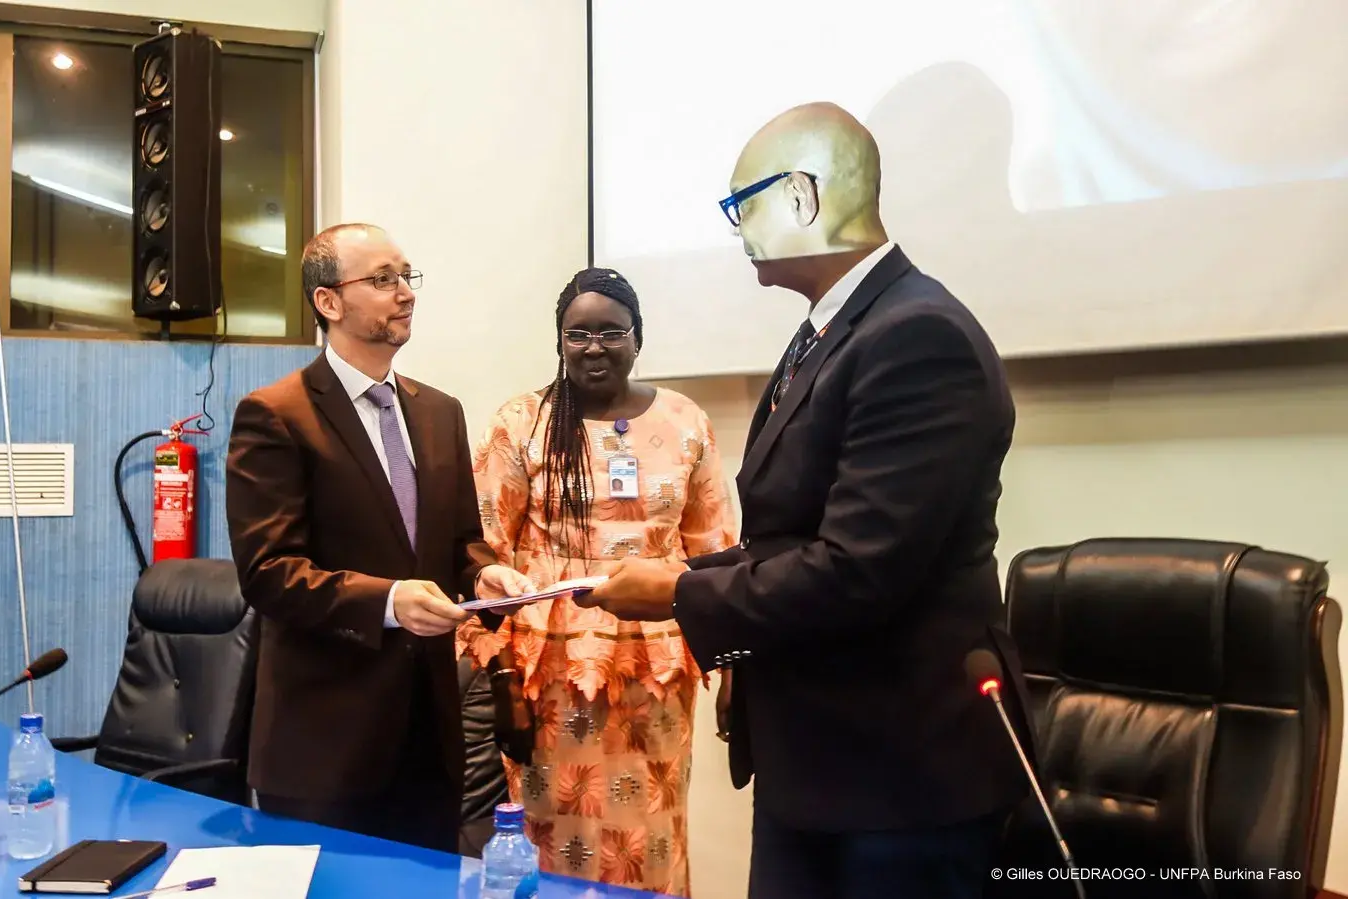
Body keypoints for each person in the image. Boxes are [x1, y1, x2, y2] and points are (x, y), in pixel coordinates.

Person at [577, 103, 1030, 898]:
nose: (735, 228)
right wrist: (686, 572)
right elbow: (791, 538)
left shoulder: (918, 335)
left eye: (740, 204)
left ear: (802, 197)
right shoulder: (832, 329)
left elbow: (859, 569)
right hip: (821, 764)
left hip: (897, 782)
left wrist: (682, 591)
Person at [226, 222, 532, 853]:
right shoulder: (277, 414)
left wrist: (483, 574)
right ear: (328, 302)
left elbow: (458, 542)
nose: (405, 293)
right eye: (382, 279)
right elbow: (268, 573)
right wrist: (389, 602)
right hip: (324, 742)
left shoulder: (438, 410)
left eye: (406, 277)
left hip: (428, 737)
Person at [457, 267, 738, 896]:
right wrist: (500, 680)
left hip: (657, 672)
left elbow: (716, 551)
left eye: (611, 332)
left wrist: (737, 672)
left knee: (653, 837)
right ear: (558, 342)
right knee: (551, 837)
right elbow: (483, 552)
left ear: (638, 338)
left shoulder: (685, 420)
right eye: (576, 334)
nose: (593, 347)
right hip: (549, 678)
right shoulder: (522, 422)